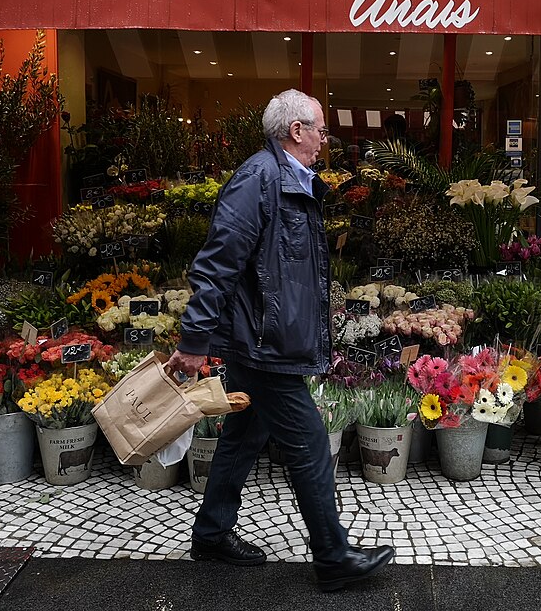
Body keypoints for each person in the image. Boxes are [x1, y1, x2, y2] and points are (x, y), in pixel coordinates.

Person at [167, 89, 394, 592]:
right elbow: (216, 264)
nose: (323, 140)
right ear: (296, 131)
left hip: (269, 339)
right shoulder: (259, 180)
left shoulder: (293, 180)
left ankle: (210, 534)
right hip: (265, 343)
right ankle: (333, 555)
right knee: (311, 443)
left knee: (243, 436)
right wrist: (195, 338)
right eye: (320, 130)